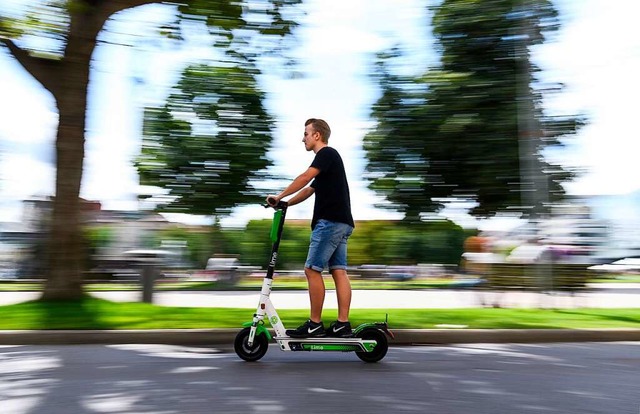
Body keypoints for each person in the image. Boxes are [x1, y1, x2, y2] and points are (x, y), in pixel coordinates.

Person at [266, 118, 355, 338]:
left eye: (306, 133)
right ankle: (342, 324)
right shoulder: (329, 162)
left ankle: (315, 324)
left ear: (317, 135)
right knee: (339, 271)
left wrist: (279, 195)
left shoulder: (326, 154)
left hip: (329, 222)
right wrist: (286, 203)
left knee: (311, 270)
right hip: (342, 222)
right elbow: (308, 190)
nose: (302, 138)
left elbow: (305, 178)